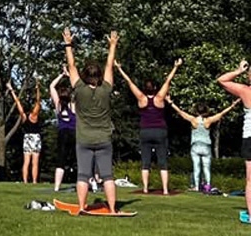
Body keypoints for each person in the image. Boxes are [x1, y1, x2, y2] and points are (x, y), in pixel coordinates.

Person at [63, 28, 119, 214]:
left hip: (84, 139)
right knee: (108, 176)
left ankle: (81, 208)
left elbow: (71, 66)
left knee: (83, 175)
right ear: (99, 75)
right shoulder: (106, 89)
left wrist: (68, 44)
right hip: (104, 139)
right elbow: (110, 66)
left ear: (85, 75)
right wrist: (112, 45)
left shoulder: (79, 88)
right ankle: (112, 209)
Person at [115, 59, 182, 195]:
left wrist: (119, 68)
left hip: (145, 131)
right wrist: (175, 67)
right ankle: (164, 190)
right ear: (156, 88)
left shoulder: (141, 98)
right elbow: (168, 81)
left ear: (145, 89)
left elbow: (130, 82)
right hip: (160, 131)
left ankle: (145, 188)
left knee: (145, 162)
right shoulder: (159, 98)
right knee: (162, 162)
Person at [167, 96, 240, 191]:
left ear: (196, 110)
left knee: (196, 167)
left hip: (195, 146)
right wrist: (232, 105)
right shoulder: (208, 120)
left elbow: (180, 112)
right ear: (206, 111)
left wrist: (170, 102)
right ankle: (208, 186)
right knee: (207, 167)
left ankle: (197, 186)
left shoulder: (193, 120)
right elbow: (222, 113)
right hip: (206, 146)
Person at [217, 60, 251, 219]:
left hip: (249, 138)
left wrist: (238, 70)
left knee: (250, 180)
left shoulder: (245, 91)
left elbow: (222, 80)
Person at [7, 78, 43, 184]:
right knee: (35, 162)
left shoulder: (23, 117)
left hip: (27, 138)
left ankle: (25, 181)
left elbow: (17, 102)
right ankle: (35, 181)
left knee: (26, 162)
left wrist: (11, 90)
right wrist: (38, 88)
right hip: (35, 138)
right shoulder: (34, 116)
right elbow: (38, 101)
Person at [50, 67, 77, 192]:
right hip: (74, 134)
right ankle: (91, 183)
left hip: (62, 134)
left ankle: (56, 187)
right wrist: (70, 76)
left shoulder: (58, 105)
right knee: (81, 159)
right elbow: (77, 87)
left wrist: (62, 75)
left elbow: (51, 86)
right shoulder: (74, 105)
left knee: (60, 161)